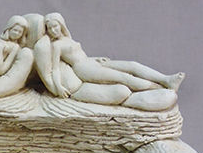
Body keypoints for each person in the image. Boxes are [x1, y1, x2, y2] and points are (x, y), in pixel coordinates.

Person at [34, 12, 184, 110]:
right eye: (50, 28)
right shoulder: (56, 45)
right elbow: (54, 68)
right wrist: (58, 86)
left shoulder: (67, 38)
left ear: (61, 25)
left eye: (55, 26)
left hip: (91, 62)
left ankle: (166, 80)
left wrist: (95, 58)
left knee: (132, 65)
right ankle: (157, 90)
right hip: (84, 69)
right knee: (123, 78)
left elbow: (80, 55)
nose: (53, 30)